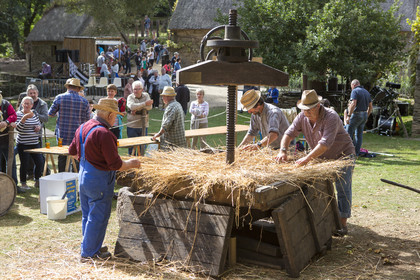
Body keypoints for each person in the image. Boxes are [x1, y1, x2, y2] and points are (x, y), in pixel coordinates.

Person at [68, 98, 141, 262]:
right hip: (98, 180)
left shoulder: (82, 127)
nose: (115, 119)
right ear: (108, 115)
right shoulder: (104, 133)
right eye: (114, 115)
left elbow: (72, 151)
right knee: (98, 217)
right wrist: (131, 163)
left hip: (83, 176)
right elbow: (116, 164)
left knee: (88, 214)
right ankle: (88, 254)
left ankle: (91, 246)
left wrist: (90, 158)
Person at [275, 89, 355, 236]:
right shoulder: (302, 116)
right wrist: (283, 150)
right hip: (321, 158)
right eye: (303, 110)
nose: (306, 113)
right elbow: (288, 133)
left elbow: (325, 144)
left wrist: (306, 159)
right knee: (319, 188)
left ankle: (342, 224)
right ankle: (324, 219)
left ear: (318, 106)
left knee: (343, 189)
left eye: (309, 110)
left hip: (342, 156)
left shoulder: (331, 116)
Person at [48, 78, 90, 172]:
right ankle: (76, 178)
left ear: (68, 87)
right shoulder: (84, 101)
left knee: (63, 156)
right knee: (76, 156)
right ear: (78, 89)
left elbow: (50, 114)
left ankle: (62, 177)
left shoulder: (59, 97)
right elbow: (87, 120)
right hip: (77, 134)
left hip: (62, 133)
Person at [12, 96, 44, 189]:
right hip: (23, 144)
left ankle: (37, 180)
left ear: (32, 105)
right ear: (22, 104)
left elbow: (38, 124)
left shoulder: (34, 113)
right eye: (24, 103)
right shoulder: (18, 114)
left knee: (40, 162)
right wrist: (24, 118)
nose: (26, 105)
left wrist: (38, 128)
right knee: (24, 164)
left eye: (28, 104)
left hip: (34, 143)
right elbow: (18, 128)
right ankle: (23, 183)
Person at [346, 79, 373, 156]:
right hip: (364, 113)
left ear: (353, 85)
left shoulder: (355, 91)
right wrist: (366, 116)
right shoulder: (366, 92)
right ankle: (356, 153)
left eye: (351, 86)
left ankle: (348, 153)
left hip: (356, 114)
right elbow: (370, 107)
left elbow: (353, 104)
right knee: (359, 135)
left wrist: (348, 116)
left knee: (348, 133)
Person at [126, 81, 153, 155]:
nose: (136, 91)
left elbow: (149, 107)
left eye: (138, 89)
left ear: (142, 89)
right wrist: (144, 104)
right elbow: (131, 106)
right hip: (132, 125)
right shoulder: (130, 97)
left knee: (142, 147)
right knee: (132, 147)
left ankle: (141, 163)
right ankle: (131, 164)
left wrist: (136, 108)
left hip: (143, 125)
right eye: (135, 89)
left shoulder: (146, 95)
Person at [0, 90, 18, 189]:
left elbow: (13, 116)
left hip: (7, 139)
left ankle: (14, 186)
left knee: (11, 163)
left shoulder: (6, 104)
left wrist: (6, 122)